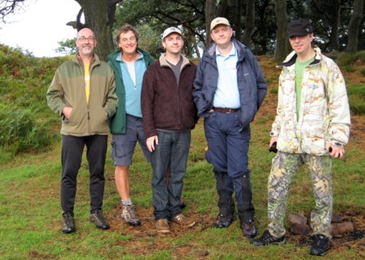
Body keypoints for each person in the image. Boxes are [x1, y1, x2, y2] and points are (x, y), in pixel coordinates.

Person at [251, 19, 351, 257]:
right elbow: (282, 107)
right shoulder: (286, 68)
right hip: (289, 142)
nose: (296, 41)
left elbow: (339, 103)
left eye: (301, 36)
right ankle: (275, 233)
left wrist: (337, 139)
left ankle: (321, 235)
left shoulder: (327, 66)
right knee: (275, 187)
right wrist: (275, 133)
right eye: (292, 37)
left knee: (322, 192)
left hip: (318, 142)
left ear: (311, 36)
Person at [193, 17, 267, 239]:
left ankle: (247, 217)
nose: (221, 33)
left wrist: (248, 111)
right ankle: (225, 212)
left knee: (239, 169)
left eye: (224, 29)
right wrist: (204, 108)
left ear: (231, 31)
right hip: (214, 120)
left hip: (237, 121)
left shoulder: (245, 55)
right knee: (220, 166)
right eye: (216, 31)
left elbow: (261, 84)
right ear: (212, 36)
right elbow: (197, 88)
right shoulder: (207, 58)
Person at [46, 27, 118, 234]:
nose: (86, 41)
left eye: (90, 38)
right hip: (72, 129)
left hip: (98, 129)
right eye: (82, 38)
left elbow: (113, 97)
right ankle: (67, 215)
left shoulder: (105, 69)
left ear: (95, 43)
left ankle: (96, 211)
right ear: (77, 43)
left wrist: (104, 113)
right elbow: (52, 95)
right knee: (69, 173)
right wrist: (64, 109)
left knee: (97, 173)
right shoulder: (65, 69)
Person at [141, 27, 198, 234]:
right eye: (170, 39)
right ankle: (161, 215)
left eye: (177, 38)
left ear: (182, 42)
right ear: (163, 44)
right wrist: (149, 132)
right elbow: (146, 103)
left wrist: (192, 120)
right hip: (160, 131)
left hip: (183, 131)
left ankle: (175, 211)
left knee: (178, 173)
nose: (174, 42)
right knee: (158, 174)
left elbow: (196, 96)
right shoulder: (154, 70)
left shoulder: (191, 68)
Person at [107, 24, 154, 226]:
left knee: (159, 160)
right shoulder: (110, 64)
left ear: (137, 40)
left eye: (132, 38)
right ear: (119, 43)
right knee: (122, 163)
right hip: (123, 120)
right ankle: (127, 206)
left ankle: (168, 199)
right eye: (124, 39)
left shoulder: (149, 60)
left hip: (149, 119)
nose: (129, 42)